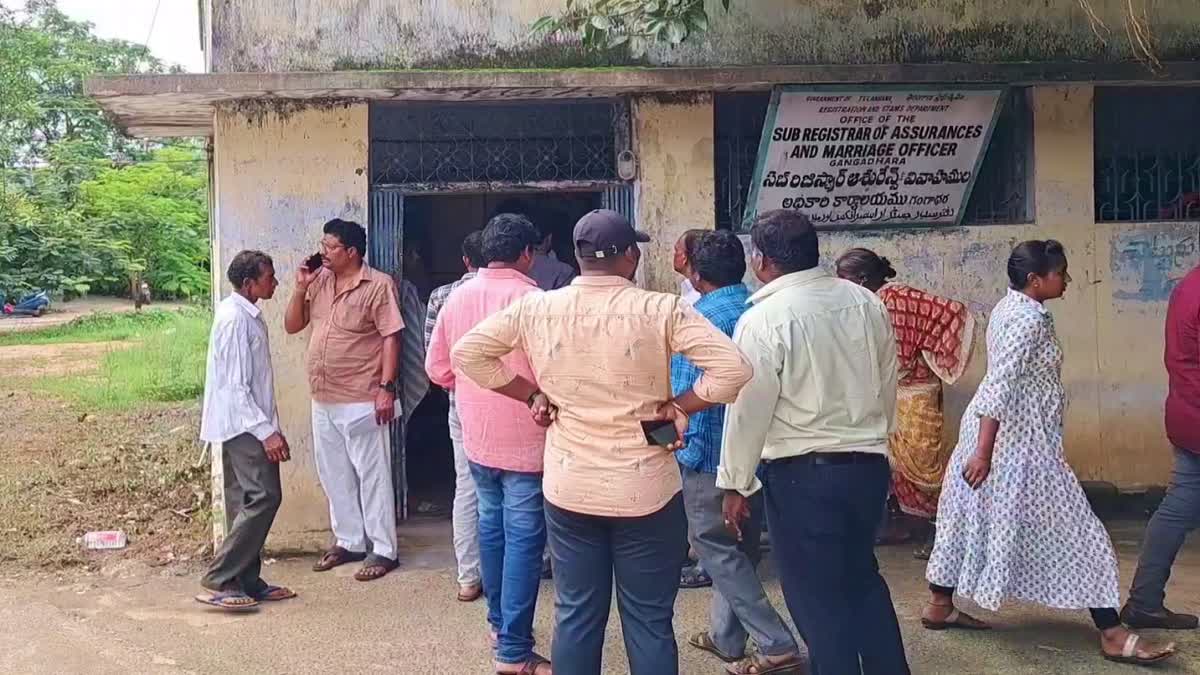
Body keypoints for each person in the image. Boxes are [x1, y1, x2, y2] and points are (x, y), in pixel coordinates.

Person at [452, 209, 752, 675]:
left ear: (577, 256)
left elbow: (466, 354)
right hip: (646, 490)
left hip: (570, 487)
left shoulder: (539, 307)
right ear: (630, 257)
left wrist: (530, 393)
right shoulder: (660, 309)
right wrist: (680, 404)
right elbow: (734, 370)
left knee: (575, 614)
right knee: (650, 620)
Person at [924, 240, 1176, 666]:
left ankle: (939, 604)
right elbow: (1000, 384)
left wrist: (984, 446)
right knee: (1081, 532)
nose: (1067, 280)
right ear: (1034, 279)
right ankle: (1112, 632)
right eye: (1060, 272)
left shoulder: (1011, 307)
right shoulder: (1029, 321)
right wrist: (984, 452)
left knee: (968, 512)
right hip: (1015, 441)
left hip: (1002, 434)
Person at [719, 209, 909, 675]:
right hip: (866, 466)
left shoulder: (764, 319)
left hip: (803, 476)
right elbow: (888, 385)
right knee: (862, 577)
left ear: (760, 260)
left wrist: (735, 484)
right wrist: (876, 445)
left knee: (816, 598)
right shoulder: (866, 303)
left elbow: (749, 411)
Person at [673, 231, 803, 675]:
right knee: (741, 548)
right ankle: (727, 637)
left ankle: (776, 642)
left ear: (695, 271)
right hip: (760, 453)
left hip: (710, 455)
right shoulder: (759, 308)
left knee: (714, 548)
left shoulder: (697, 319)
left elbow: (684, 395)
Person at [426, 215, 550, 675]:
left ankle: (500, 626)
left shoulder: (457, 297)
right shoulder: (534, 300)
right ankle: (513, 650)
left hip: (476, 434)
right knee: (523, 540)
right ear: (526, 254)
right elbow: (552, 372)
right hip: (526, 439)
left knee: (492, 530)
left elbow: (438, 369)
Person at [836, 248, 976, 559]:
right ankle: (903, 526)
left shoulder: (894, 301)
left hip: (915, 395)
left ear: (861, 278)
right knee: (893, 464)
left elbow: (898, 358)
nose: (839, 286)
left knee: (922, 467)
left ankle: (945, 534)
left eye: (843, 279)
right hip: (895, 393)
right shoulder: (875, 301)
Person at [285, 218, 404, 582]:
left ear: (351, 252)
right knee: (334, 473)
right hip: (323, 396)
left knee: (373, 475)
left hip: (362, 396)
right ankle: (349, 540)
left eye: (331, 247)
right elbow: (292, 325)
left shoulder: (378, 285)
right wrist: (299, 288)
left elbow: (391, 338)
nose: (323, 252)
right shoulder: (318, 280)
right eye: (322, 245)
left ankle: (383, 549)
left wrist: (386, 387)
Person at [195, 250, 295, 612]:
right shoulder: (235, 319)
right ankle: (219, 577)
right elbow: (237, 387)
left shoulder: (246, 314)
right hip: (244, 425)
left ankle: (246, 580)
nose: (275, 282)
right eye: (269, 277)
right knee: (265, 497)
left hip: (243, 422)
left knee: (244, 502)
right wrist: (267, 432)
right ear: (250, 283)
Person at [1122, 261, 1200, 630]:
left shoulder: (1188, 285)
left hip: (1186, 411)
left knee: (1177, 507)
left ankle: (1145, 600)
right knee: (1178, 508)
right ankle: (1144, 601)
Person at [424, 230, 487, 603]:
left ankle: (469, 575)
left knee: (467, 487)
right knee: (520, 486)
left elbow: (435, 361)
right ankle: (520, 569)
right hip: (516, 404)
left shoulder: (442, 296)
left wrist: (457, 385)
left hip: (461, 402)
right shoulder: (526, 295)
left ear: (465, 260)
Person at [673, 229, 705, 306]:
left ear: (684, 258)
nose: (674, 254)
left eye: (677, 250)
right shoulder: (689, 287)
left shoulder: (694, 298)